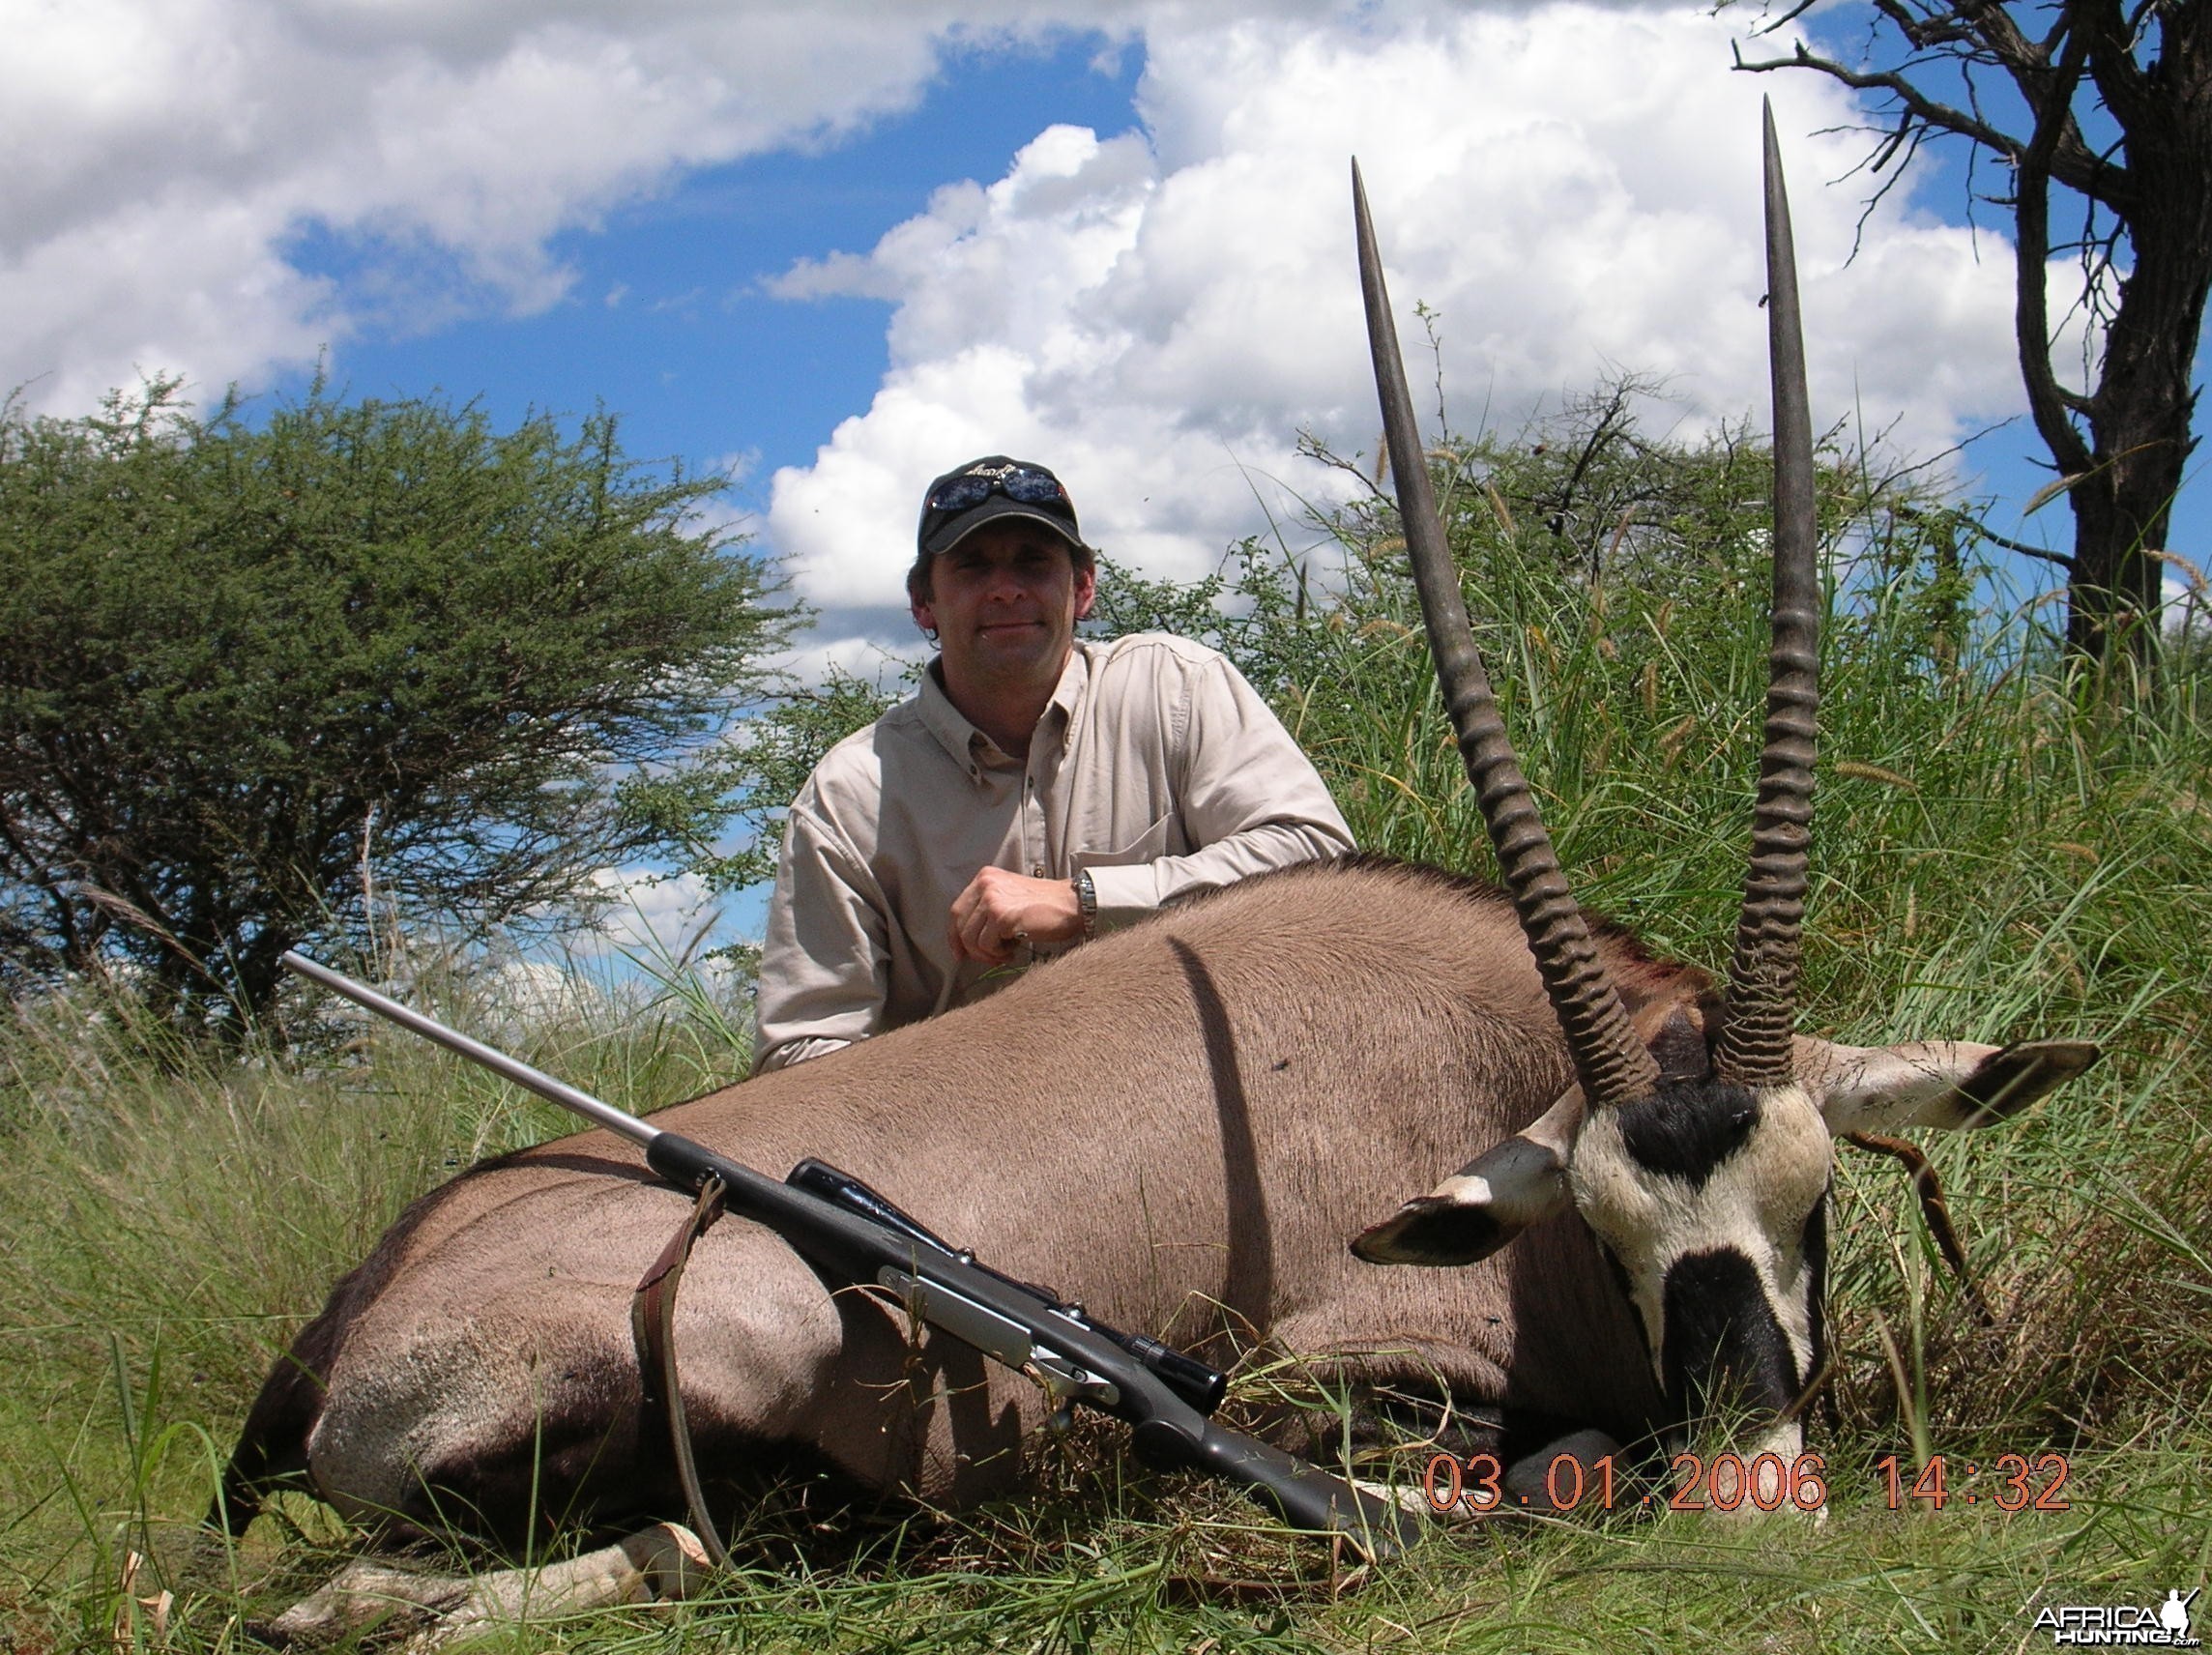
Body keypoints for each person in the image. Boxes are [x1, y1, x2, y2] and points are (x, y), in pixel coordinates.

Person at [752, 454, 1353, 1073]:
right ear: (922, 604)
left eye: (1034, 563)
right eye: (972, 566)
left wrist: (1087, 901)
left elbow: (1322, 859)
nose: (1007, 588)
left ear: (1083, 587)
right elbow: (801, 1049)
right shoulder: (849, 794)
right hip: (965, 1137)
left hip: (1195, 1086)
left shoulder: (1177, 687)